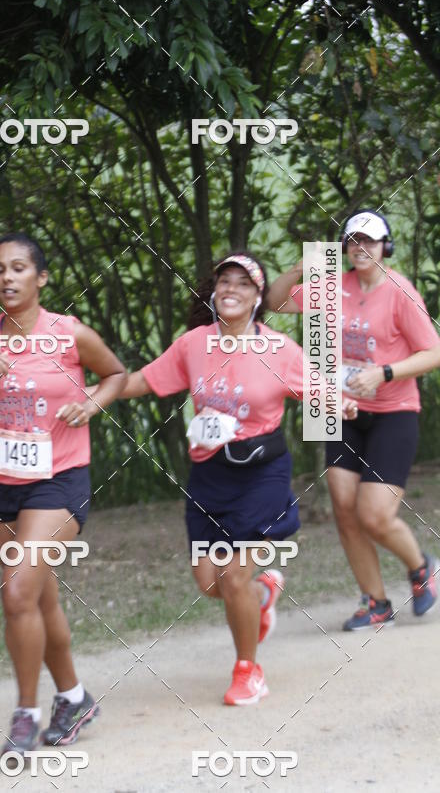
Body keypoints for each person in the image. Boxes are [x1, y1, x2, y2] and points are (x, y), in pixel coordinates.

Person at [114, 252, 356, 704]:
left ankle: (249, 670)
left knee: (231, 577)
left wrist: (338, 403)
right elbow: (142, 381)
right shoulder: (193, 345)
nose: (231, 289)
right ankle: (265, 592)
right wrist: (91, 390)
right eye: (224, 281)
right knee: (210, 583)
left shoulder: (279, 349)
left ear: (258, 297)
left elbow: (316, 387)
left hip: (261, 474)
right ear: (213, 292)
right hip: (210, 474)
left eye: (244, 284)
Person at [0, 232, 126, 754]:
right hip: (1, 481)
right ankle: (74, 696)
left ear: (40, 278)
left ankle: (25, 714)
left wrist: (91, 404)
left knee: (17, 591)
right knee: (39, 596)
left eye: (19, 268)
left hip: (59, 478)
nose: (7, 277)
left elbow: (115, 374)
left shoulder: (68, 332)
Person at [267, 210, 440, 630]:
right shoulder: (331, 286)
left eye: (372, 241)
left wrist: (383, 373)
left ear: (386, 246)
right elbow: (273, 302)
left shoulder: (399, 290)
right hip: (338, 408)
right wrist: (298, 269)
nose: (363, 249)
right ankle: (376, 602)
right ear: (345, 247)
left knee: (375, 514)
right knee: (344, 509)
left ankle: (422, 568)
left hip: (393, 411)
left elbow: (433, 353)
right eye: (355, 241)